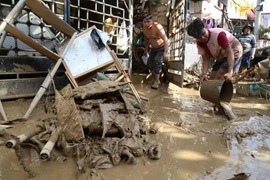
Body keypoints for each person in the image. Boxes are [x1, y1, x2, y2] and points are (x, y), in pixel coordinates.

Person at [142, 13, 169, 89]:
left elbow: (165, 39)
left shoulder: (157, 26)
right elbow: (147, 41)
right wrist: (146, 50)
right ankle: (156, 79)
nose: (146, 24)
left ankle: (156, 82)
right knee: (150, 64)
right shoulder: (144, 29)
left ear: (152, 21)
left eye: (148, 21)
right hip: (153, 48)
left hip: (161, 47)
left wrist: (165, 52)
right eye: (144, 22)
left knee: (157, 61)